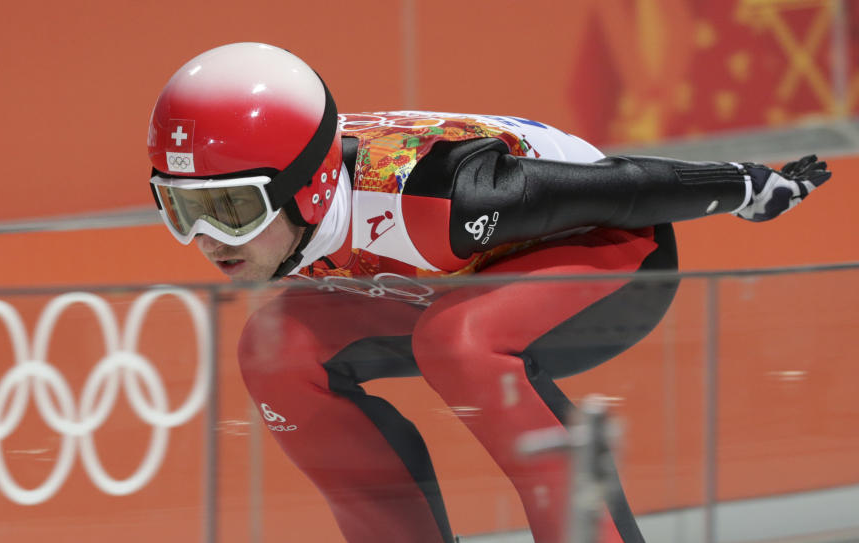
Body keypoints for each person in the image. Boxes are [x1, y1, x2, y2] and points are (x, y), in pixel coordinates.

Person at [146, 43, 831, 543]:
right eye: (180, 209)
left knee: (458, 340)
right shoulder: (301, 207)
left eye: (232, 210)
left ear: (312, 187)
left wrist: (749, 185)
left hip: (614, 250)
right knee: (273, 350)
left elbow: (621, 186)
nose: (208, 239)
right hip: (448, 280)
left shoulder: (441, 199)